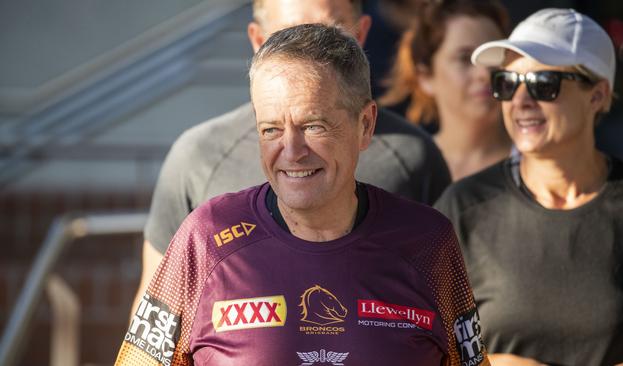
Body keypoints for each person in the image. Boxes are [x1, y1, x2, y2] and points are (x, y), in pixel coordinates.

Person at [115, 24, 488, 365]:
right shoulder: (206, 238)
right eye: (271, 130)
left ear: (366, 124)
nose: (291, 152)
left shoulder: (429, 243)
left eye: (313, 126)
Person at [131, 0, 451, 317]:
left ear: (362, 32)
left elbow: (453, 320)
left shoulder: (412, 158)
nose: (311, 49)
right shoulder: (198, 157)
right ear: (258, 41)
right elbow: (155, 322)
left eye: (332, 32)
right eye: (290, 34)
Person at [435, 8, 623, 366]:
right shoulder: (464, 208)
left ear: (597, 95)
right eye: (506, 83)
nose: (520, 101)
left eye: (543, 84)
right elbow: (413, 339)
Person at [379, 0, 512, 181]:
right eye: (465, 58)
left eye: (494, 56)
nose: (485, 73)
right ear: (425, 76)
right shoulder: (405, 169)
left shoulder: (537, 161)